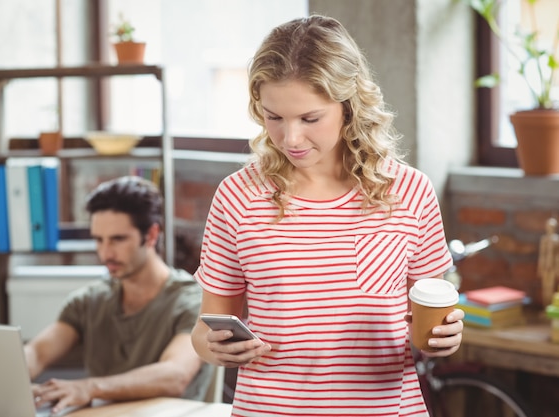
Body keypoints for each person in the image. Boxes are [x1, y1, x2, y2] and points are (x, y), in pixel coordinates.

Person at [191, 15, 464, 417]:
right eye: (274, 117)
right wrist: (210, 347)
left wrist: (446, 335)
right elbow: (205, 327)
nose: (290, 138)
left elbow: (428, 323)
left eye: (309, 118)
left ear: (349, 105)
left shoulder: (409, 192)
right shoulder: (237, 196)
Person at [25, 176, 213, 414]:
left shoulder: (192, 300)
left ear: (152, 235)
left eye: (118, 239)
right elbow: (38, 352)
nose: (105, 253)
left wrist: (90, 387)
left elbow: (175, 375)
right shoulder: (89, 301)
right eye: (98, 240)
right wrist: (12, 375)